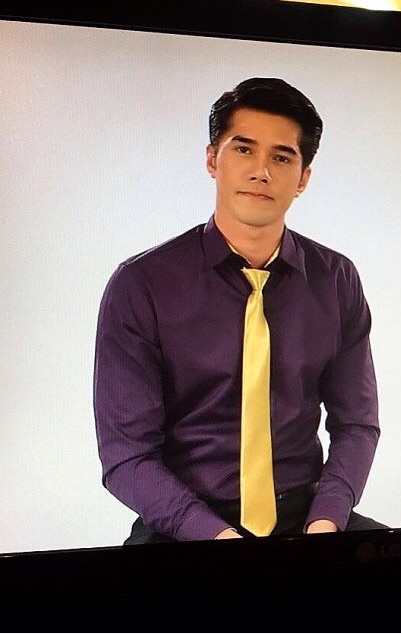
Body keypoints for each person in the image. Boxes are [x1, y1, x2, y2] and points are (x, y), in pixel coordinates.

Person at [93, 77, 386, 543]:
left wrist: (326, 521)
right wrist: (218, 538)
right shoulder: (141, 284)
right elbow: (127, 455)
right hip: (186, 522)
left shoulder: (336, 280)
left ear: (303, 178)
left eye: (282, 157)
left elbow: (356, 424)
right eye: (244, 149)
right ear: (213, 159)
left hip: (307, 516)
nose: (261, 171)